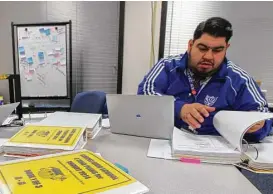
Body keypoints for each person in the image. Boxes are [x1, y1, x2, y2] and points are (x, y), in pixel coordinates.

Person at [137, 17, 272, 142]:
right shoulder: (167, 66)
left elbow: (264, 117)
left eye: (217, 50)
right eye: (202, 48)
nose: (208, 56)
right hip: (166, 143)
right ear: (190, 45)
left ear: (226, 49)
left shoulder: (239, 79)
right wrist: (179, 108)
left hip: (216, 151)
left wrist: (257, 126)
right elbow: (145, 96)